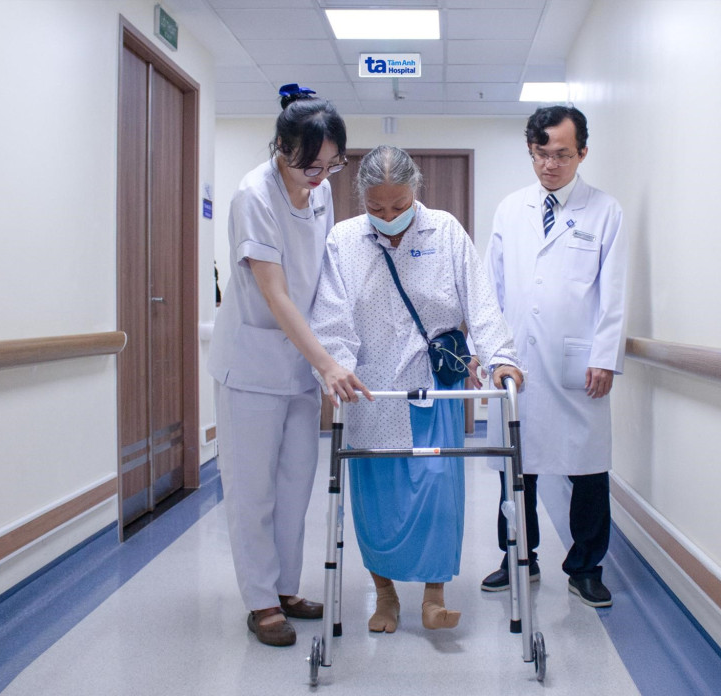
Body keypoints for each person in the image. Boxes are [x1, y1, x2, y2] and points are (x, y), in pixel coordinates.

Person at [310, 145, 523, 633]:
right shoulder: (343, 240)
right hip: (369, 392)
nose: (388, 217)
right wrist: (336, 367)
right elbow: (332, 316)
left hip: (431, 388)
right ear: (361, 199)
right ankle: (385, 596)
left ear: (416, 193)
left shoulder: (444, 231)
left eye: (399, 206)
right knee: (377, 499)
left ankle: (433, 596)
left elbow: (481, 302)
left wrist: (501, 359)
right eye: (376, 207)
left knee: (437, 491)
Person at [207, 84, 371, 647]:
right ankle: (260, 602)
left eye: (332, 165)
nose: (320, 177)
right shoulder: (253, 196)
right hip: (252, 367)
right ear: (281, 149)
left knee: (296, 485)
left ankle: (285, 589)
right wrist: (327, 363)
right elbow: (275, 293)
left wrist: (332, 350)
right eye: (310, 166)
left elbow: (321, 276)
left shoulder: (319, 193)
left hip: (300, 365)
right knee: (253, 491)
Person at [480, 105, 628, 608]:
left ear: (582, 153)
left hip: (578, 364)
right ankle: (517, 557)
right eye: (540, 154)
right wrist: (488, 352)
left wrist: (605, 356)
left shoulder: (605, 211)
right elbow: (491, 289)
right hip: (516, 362)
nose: (550, 165)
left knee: (587, 470)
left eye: (562, 155)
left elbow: (613, 292)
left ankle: (585, 567)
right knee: (516, 467)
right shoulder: (510, 209)